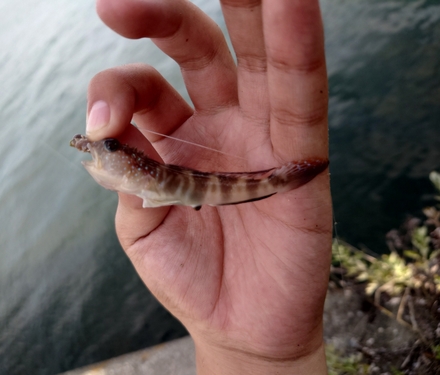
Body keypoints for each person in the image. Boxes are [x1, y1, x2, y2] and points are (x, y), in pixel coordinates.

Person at [85, 0, 332, 373]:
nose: (105, 148)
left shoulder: (144, 176)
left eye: (112, 146)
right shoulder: (140, 180)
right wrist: (240, 355)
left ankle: (282, 179)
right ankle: (280, 179)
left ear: (133, 162)